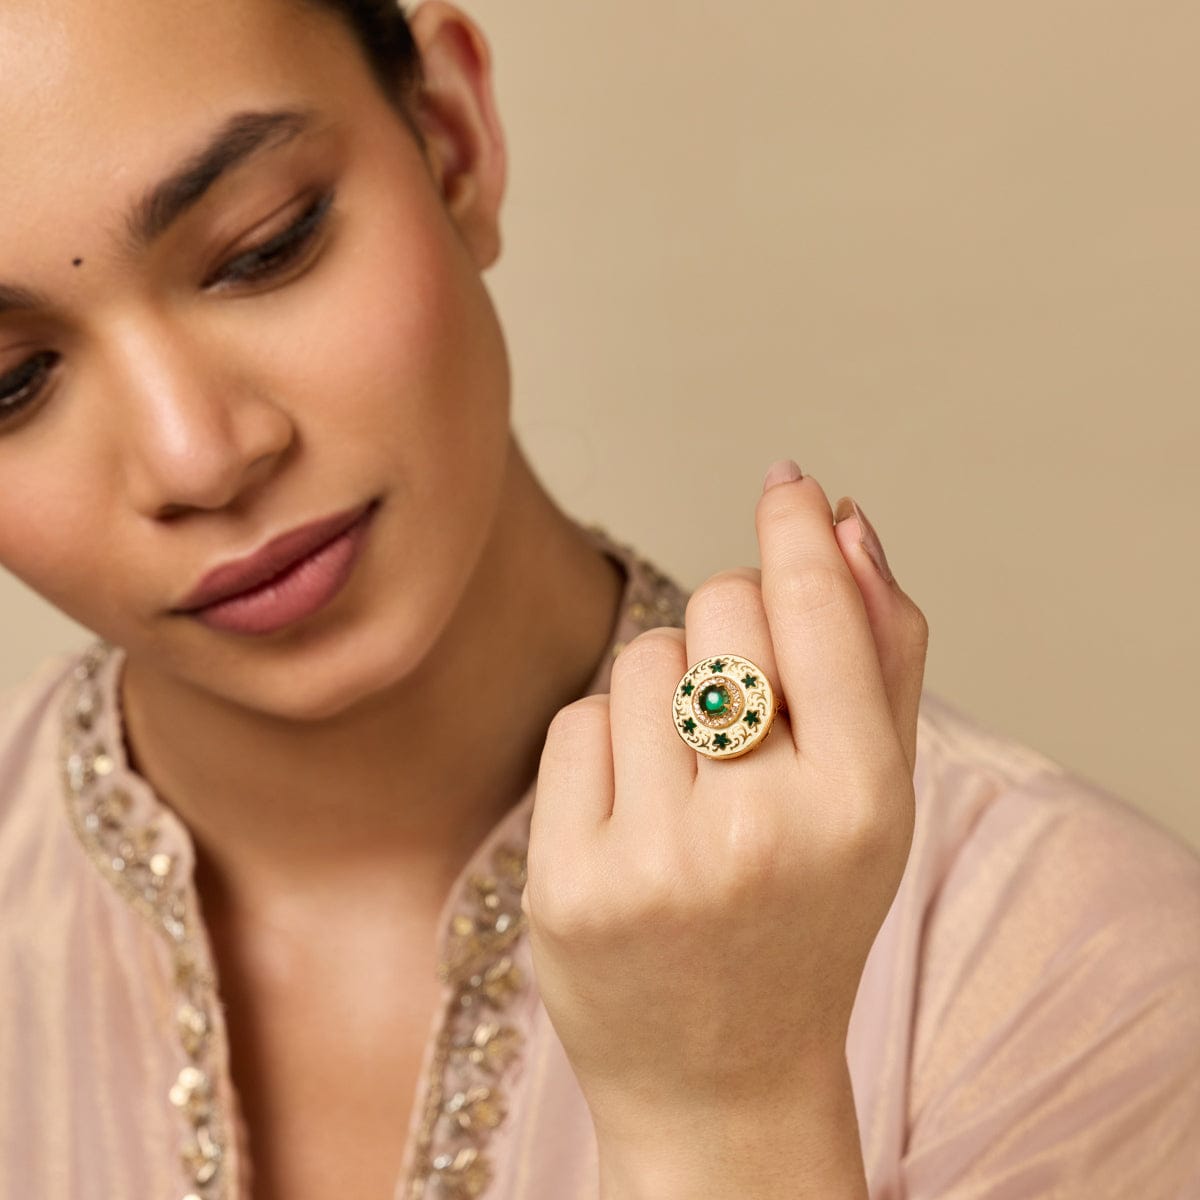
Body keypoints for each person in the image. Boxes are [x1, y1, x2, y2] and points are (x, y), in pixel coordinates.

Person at [0, 2, 1196, 1198]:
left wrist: (732, 1111)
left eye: (267, 246)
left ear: (452, 140)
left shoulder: (1071, 977)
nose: (199, 456)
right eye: (11, 382)